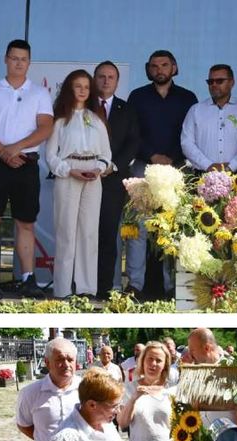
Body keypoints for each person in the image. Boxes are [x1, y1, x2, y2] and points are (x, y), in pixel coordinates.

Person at [0, 39, 53, 298]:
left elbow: (45, 127)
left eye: (23, 59)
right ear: (5, 59)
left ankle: (28, 278)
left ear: (29, 62)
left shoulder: (40, 93)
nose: (18, 63)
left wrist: (16, 148)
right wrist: (3, 152)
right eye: (14, 58)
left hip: (26, 164)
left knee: (26, 222)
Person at [127, 50, 197, 299]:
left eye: (164, 65)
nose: (159, 70)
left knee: (174, 228)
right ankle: (134, 285)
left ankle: (172, 287)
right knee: (138, 228)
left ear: (174, 68)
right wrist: (152, 155)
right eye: (154, 66)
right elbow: (132, 133)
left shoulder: (188, 98)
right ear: (148, 69)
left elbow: (191, 134)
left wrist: (172, 157)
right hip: (143, 167)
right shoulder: (137, 97)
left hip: (178, 167)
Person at [44, 69, 112, 299]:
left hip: (93, 177)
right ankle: (62, 289)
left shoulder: (97, 120)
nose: (83, 90)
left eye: (86, 86)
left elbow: (106, 154)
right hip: (68, 175)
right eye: (77, 86)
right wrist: (68, 170)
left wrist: (99, 168)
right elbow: (51, 156)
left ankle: (86, 288)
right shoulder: (60, 120)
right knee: (66, 232)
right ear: (69, 89)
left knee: (89, 232)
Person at [92, 61, 140, 298]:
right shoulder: (82, 107)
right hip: (84, 177)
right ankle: (80, 286)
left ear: (117, 81)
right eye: (101, 76)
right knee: (84, 234)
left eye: (111, 77)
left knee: (108, 234)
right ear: (94, 79)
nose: (106, 81)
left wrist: (114, 165)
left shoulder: (126, 109)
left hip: (113, 180)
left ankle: (102, 288)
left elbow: (133, 142)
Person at [17, 337, 82, 441]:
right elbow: (23, 425)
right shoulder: (30, 393)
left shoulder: (87, 389)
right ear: (47, 362)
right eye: (60, 359)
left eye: (70, 359)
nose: (66, 364)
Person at [180, 64, 237, 175]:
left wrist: (231, 166)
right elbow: (186, 143)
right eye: (210, 82)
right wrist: (208, 165)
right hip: (203, 175)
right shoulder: (196, 110)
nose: (214, 85)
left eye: (219, 81)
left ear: (232, 82)